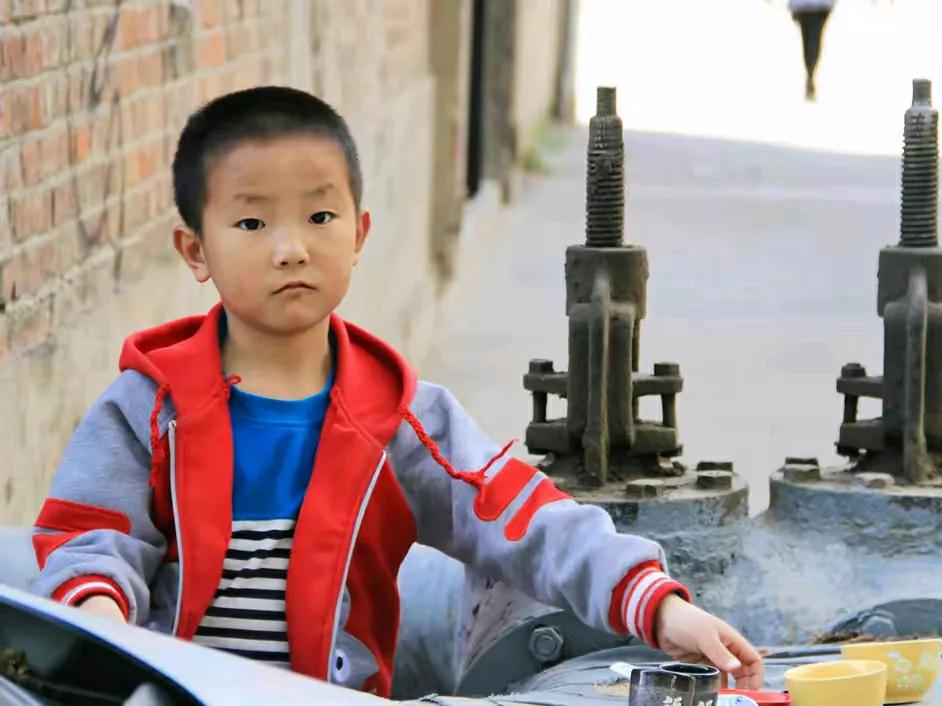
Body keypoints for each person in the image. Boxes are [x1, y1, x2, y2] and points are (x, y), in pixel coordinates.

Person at [27, 87, 764, 695]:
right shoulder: (149, 408)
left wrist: (658, 606)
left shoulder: (403, 421)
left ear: (359, 232)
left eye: (320, 216)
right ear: (196, 249)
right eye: (251, 221)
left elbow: (528, 519)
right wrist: (103, 620)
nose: (292, 248)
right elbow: (92, 538)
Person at [790, 0, 837, 101]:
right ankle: (810, 73)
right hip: (819, 7)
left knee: (808, 40)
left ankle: (810, 73)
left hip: (804, 7)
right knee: (814, 40)